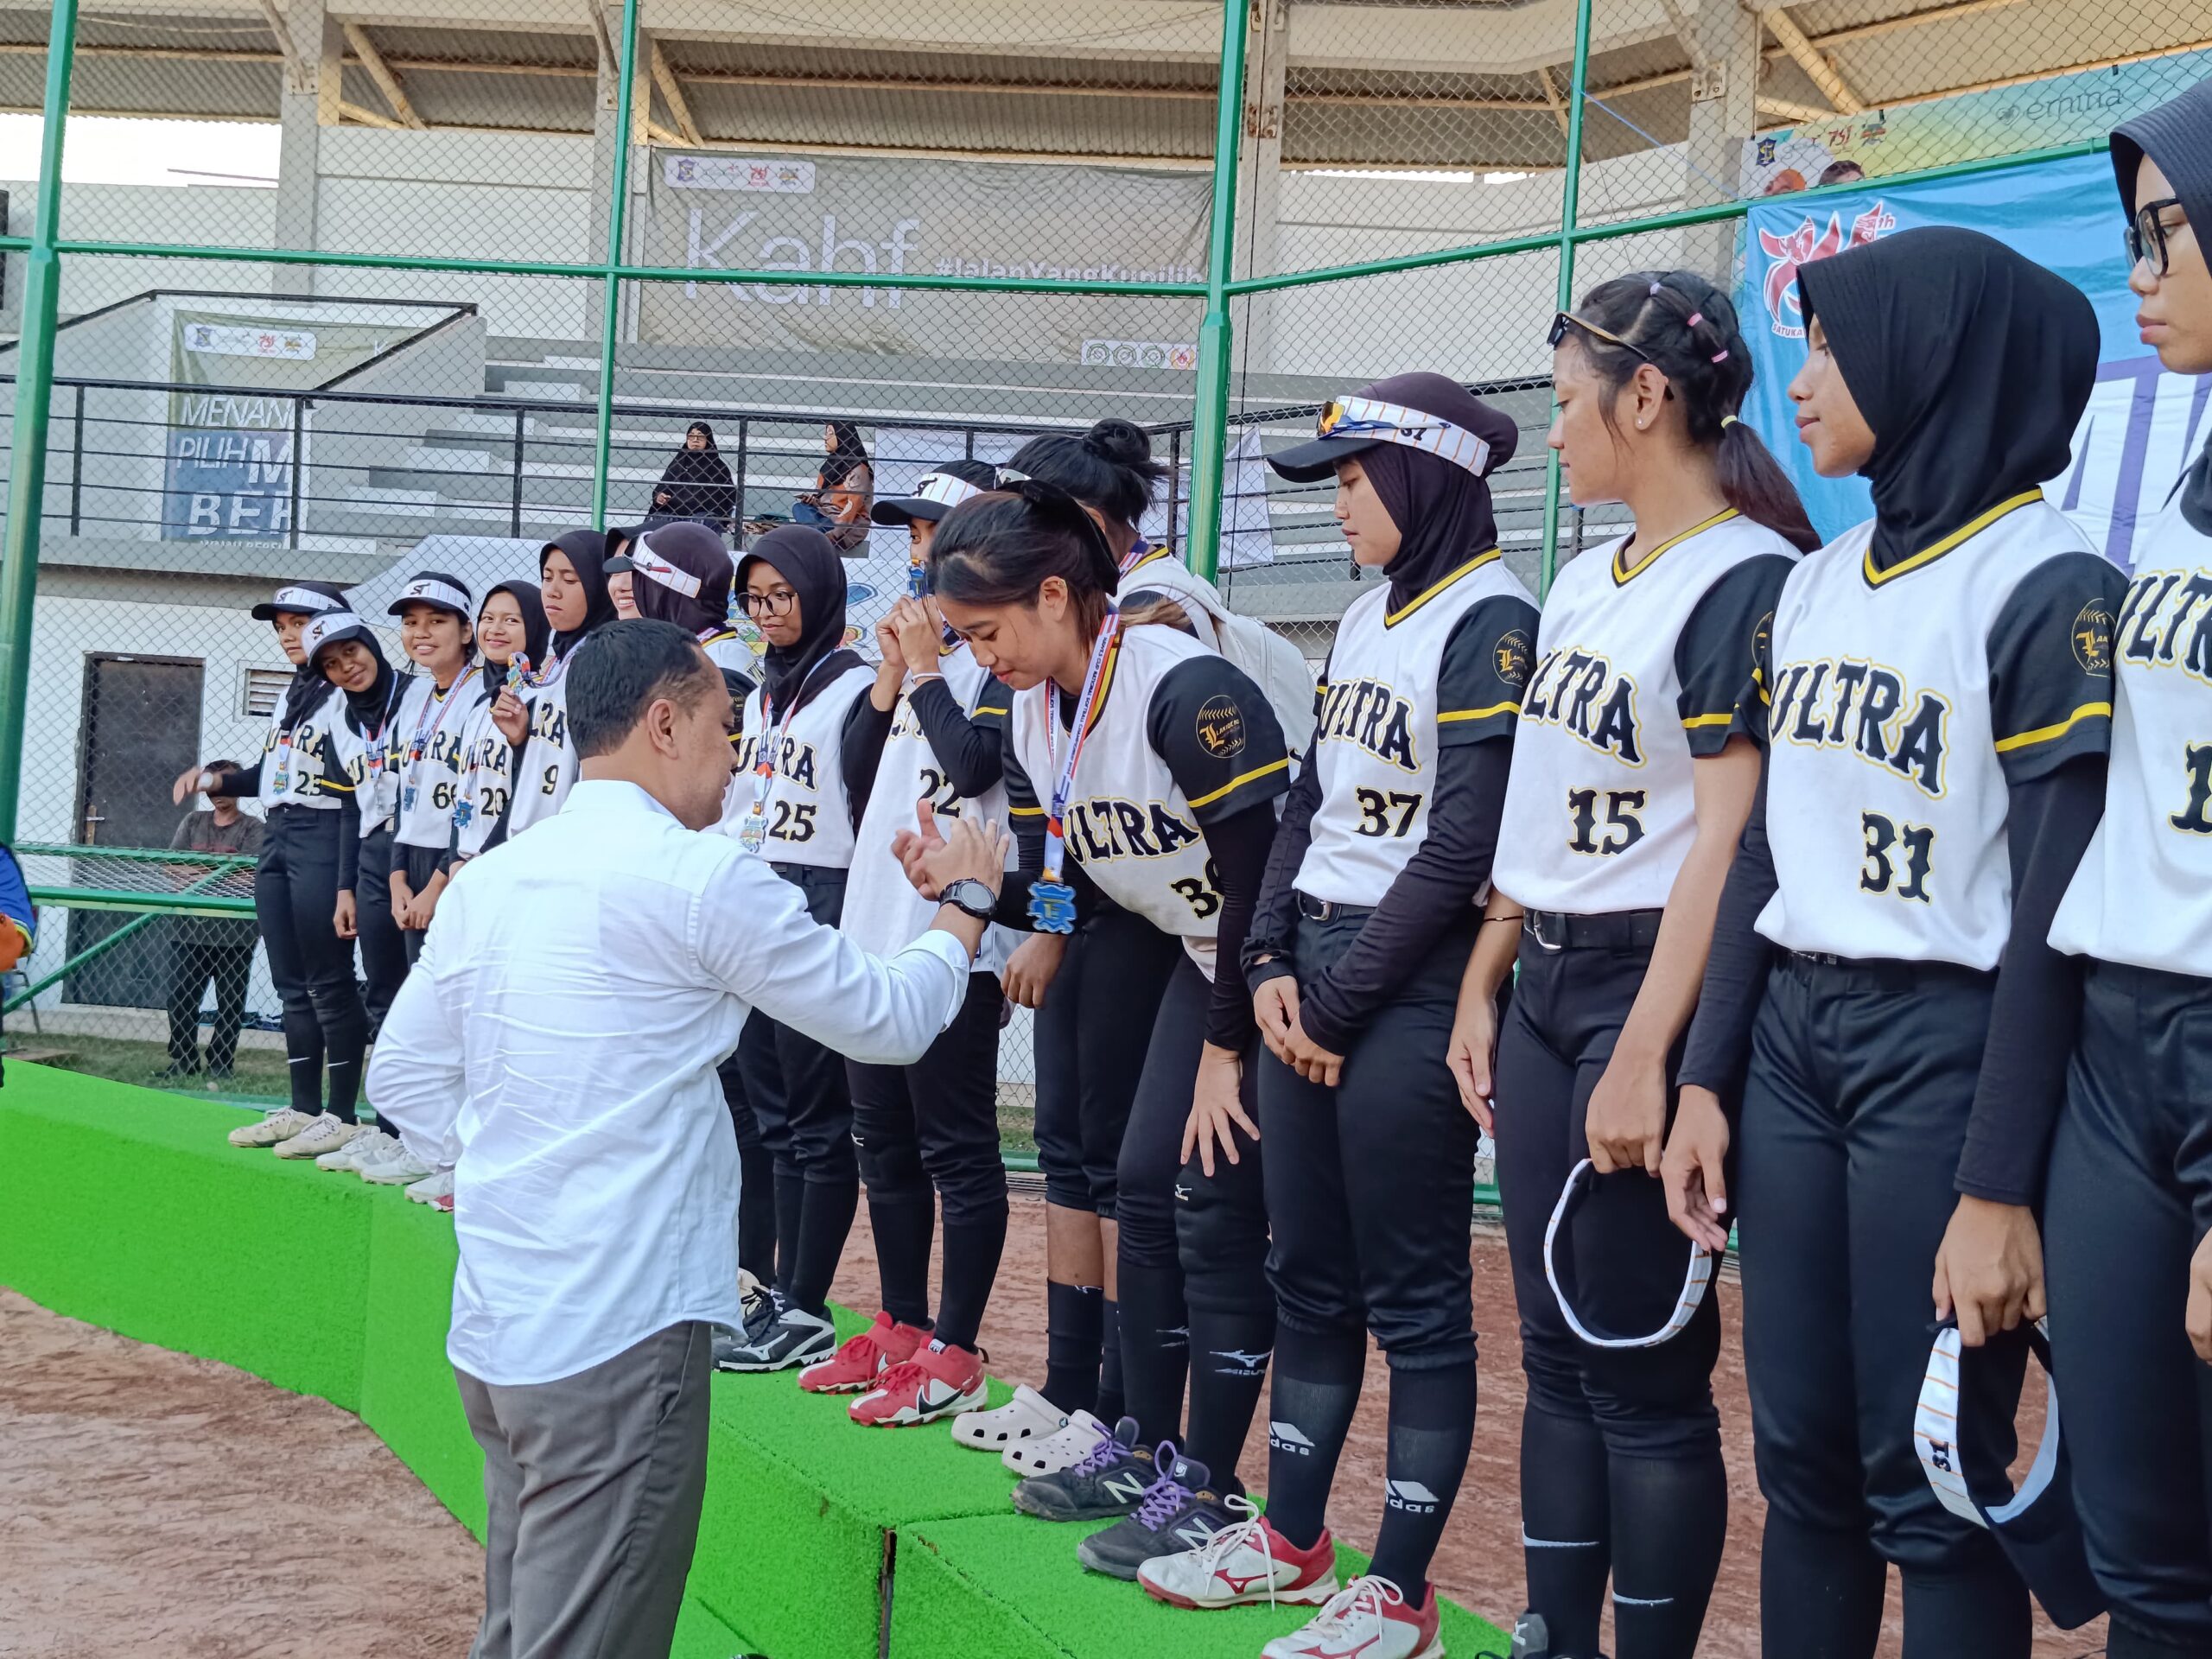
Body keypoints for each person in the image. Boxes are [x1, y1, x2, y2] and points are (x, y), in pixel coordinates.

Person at [365, 617, 1012, 1659]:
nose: (739, 749)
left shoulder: (492, 879)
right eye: (722, 722)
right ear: (664, 723)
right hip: (618, 1335)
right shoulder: (701, 876)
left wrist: (511, 1170)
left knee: (526, 1624)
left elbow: (397, 1075)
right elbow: (888, 1023)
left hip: (499, 1323)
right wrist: (967, 907)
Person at [1665, 228, 2125, 1659]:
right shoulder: (1811, 583)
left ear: (1934, 360)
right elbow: (1760, 857)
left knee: (1926, 1476)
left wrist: (2000, 1186)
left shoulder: (2049, 585)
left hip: (1951, 1045)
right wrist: (1703, 1078)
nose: (1804, 378)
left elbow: (2059, 925)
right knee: (1802, 1466)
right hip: (1798, 1044)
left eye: (1834, 345)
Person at [1132, 374, 1540, 1659]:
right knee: (1303, 1270)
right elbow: (1307, 806)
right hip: (1309, 956)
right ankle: (1294, 1538)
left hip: (1407, 978)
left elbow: (1467, 835)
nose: (1342, 510)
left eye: (1357, 484)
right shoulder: (1368, 614)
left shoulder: (1493, 619)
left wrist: (1342, 999)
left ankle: (1403, 1591)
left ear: (1423, 482)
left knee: (1414, 1292)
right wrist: (1261, 964)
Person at [1483, 281, 1815, 1659]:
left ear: (1647, 397)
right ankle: (1559, 1634)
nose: (1554, 431)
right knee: (1555, 1355)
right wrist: (1480, 981)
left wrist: (1646, 1055)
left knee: (1639, 1371)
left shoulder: (1749, 579)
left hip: (1644, 995)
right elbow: (1539, 810)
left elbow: (1728, 848)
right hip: (1546, 982)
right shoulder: (1579, 575)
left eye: (1567, 399)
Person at [902, 478, 1291, 1582]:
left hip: (1282, 964)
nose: (982, 659)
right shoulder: (1038, 707)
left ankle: (1211, 1487)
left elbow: (1263, 882)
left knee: (1205, 1204)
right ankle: (1146, 1454)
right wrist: (982, 889)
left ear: (1059, 595)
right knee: (1138, 1181)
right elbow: (1090, 890)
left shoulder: (1181, 689)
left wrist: (1228, 1049)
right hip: (1196, 951)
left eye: (987, 632)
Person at [2044, 80, 2212, 1659]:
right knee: (2140, 1546)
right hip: (2117, 1041)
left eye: (2170, 232)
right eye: (2136, 233)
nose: (2143, 274)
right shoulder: (2171, 478)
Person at [977, 419, 1189, 1461]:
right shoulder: (1039, 659)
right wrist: (1048, 927)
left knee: (1114, 1164)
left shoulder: (1160, 611)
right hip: (1090, 906)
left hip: (1158, 921)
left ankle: (1114, 1398)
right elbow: (1054, 827)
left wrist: (1060, 929)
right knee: (1064, 1146)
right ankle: (1071, 1383)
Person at [809, 496, 1014, 1427]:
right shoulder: (914, 664)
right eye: (913, 537)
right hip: (875, 928)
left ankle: (957, 1349)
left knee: (955, 1153)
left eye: (930, 533)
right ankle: (901, 1321)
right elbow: (853, 780)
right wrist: (892, 677)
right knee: (881, 1146)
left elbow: (974, 768)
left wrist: (928, 667)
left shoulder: (1000, 662)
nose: (917, 555)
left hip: (958, 944)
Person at [715, 526, 879, 1372]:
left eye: (783, 596)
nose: (768, 612)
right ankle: (776, 1292)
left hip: (824, 898)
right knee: (772, 1111)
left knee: (816, 1121)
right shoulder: (766, 694)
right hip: (761, 893)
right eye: (756, 598)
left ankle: (808, 1306)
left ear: (821, 596)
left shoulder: (852, 688)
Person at [182, 582, 367, 1152]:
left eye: (302, 622)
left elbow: (359, 792)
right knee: (291, 984)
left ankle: (341, 1115)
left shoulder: (351, 693)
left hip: (325, 833)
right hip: (279, 835)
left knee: (328, 981)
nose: (290, 634)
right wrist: (217, 781)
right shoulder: (295, 691)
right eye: (282, 625)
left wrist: (345, 881)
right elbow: (270, 773)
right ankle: (302, 1108)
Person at [275, 608, 407, 1165]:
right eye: (330, 662)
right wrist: (349, 886)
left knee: (414, 999)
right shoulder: (341, 716)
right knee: (381, 996)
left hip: (424, 856)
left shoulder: (419, 698)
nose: (345, 667)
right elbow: (358, 800)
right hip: (377, 856)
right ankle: (381, 1129)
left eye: (350, 652)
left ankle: (412, 1135)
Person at [493, 531, 620, 840]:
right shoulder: (559, 658)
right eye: (547, 578)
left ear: (598, 586)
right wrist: (522, 738)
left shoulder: (607, 659)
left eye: (570, 580)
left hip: (570, 843)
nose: (552, 591)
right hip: (531, 836)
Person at [159, 766, 264, 1084]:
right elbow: (170, 866)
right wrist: (219, 876)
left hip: (236, 932)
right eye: (213, 789)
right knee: (180, 998)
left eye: (226, 787)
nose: (219, 795)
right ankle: (184, 1058)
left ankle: (221, 1063)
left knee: (230, 1002)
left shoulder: (253, 828)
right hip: (189, 928)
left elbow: (250, 877)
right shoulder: (193, 822)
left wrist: (196, 875)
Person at [453, 581, 550, 864]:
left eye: (511, 620)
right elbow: (461, 791)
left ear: (535, 626)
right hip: (467, 864)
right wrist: (454, 861)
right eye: (488, 618)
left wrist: (483, 859)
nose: (495, 629)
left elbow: (527, 793)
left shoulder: (542, 699)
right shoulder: (479, 705)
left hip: (508, 861)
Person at [648, 420, 737, 532]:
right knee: (657, 518)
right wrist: (660, 497)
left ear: (708, 440)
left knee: (704, 521)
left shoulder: (717, 466)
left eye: (700, 437)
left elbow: (725, 499)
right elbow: (662, 488)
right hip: (674, 510)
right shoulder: (678, 463)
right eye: (691, 436)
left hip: (702, 514)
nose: (695, 440)